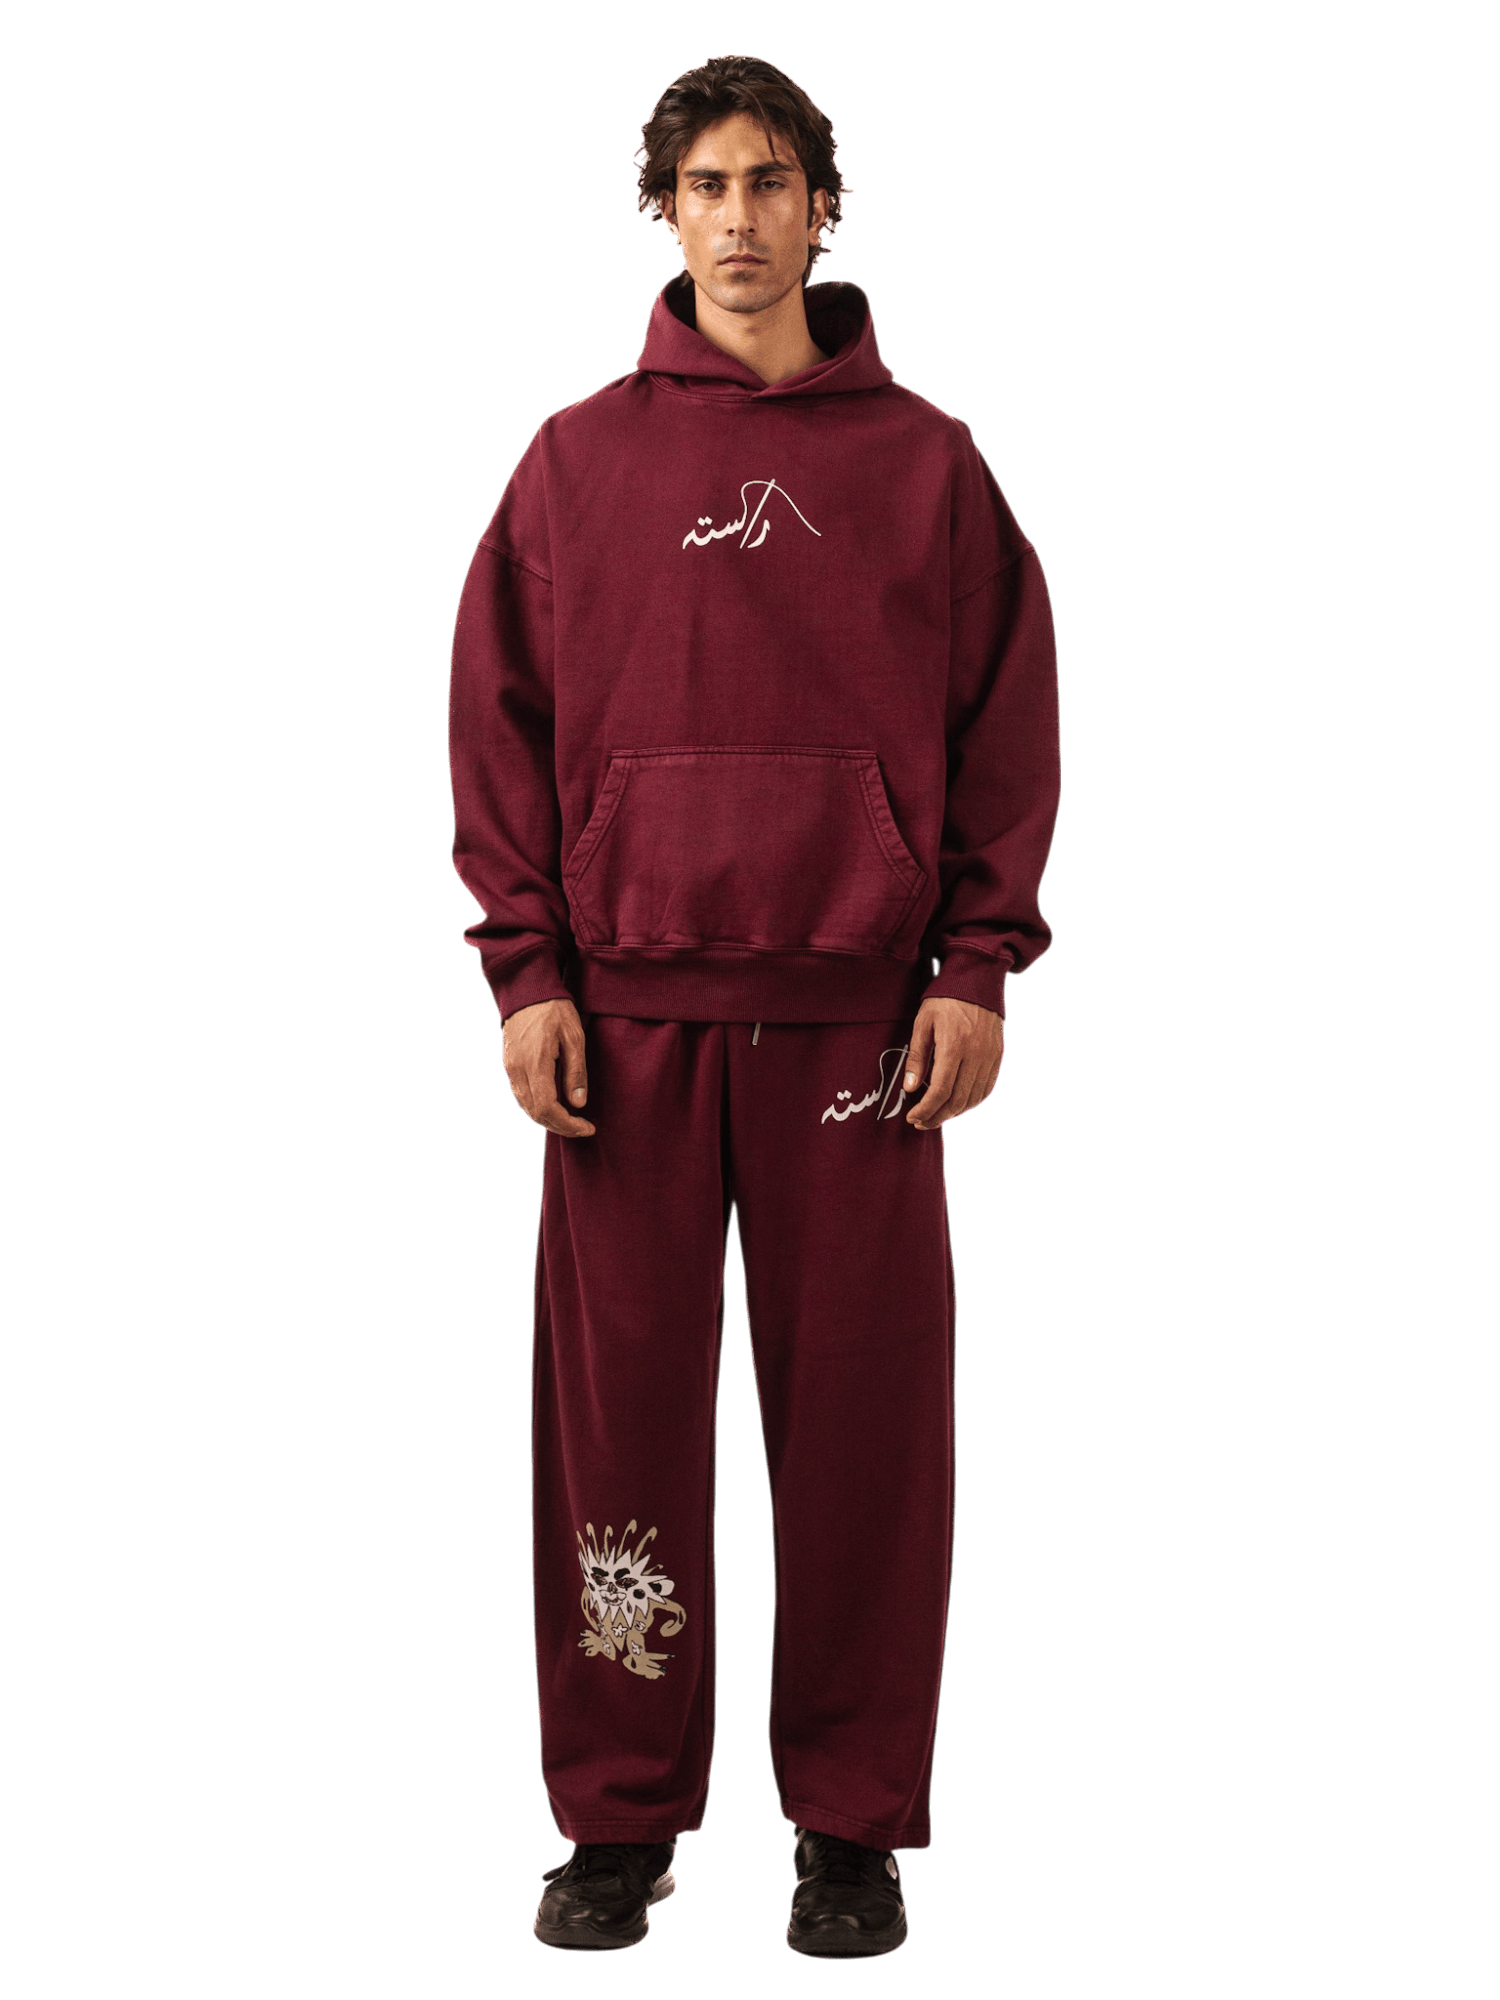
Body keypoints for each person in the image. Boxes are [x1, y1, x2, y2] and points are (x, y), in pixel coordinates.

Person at [447, 53, 1061, 1959]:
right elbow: (497, 730)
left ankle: (850, 1826)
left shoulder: (930, 464)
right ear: (664, 211)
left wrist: (973, 965)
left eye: (770, 180)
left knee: (866, 1435)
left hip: (864, 1035)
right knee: (620, 1430)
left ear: (824, 207)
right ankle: (618, 1818)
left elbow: (1007, 730)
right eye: (705, 184)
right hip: (622, 1028)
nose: (738, 216)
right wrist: (527, 972)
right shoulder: (573, 462)